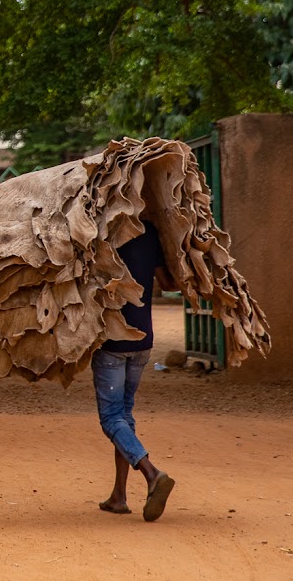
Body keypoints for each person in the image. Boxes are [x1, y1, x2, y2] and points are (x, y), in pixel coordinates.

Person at [91, 219, 177, 522]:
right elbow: (168, 284)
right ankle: (119, 496)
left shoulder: (102, 230)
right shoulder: (151, 231)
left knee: (111, 418)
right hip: (143, 340)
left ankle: (151, 473)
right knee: (124, 417)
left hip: (113, 339)